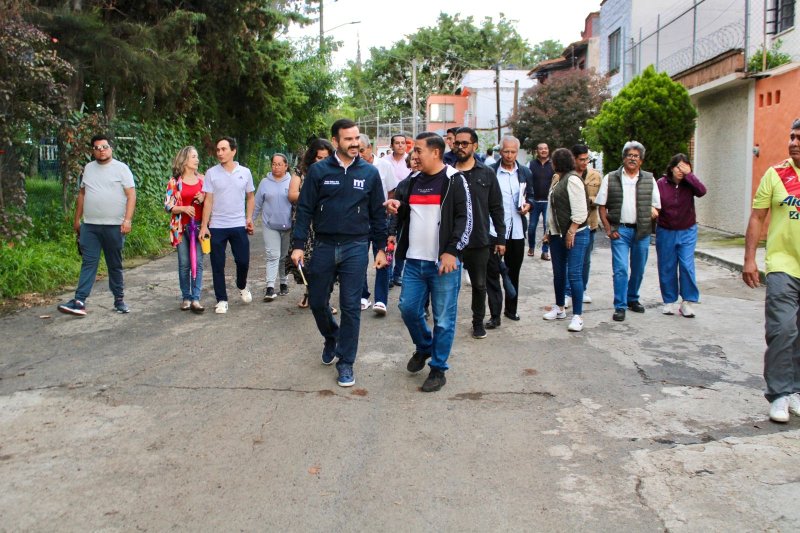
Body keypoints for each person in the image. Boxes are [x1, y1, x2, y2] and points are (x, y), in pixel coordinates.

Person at [291, 119, 388, 388]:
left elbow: (378, 214)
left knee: (350, 306)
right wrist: (298, 245)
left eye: (357, 138)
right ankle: (331, 336)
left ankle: (346, 362)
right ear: (335, 141)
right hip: (323, 245)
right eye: (348, 139)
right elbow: (305, 209)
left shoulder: (369, 173)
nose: (355, 143)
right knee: (318, 301)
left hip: (356, 246)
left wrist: (381, 248)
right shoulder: (319, 171)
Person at [385, 132, 472, 392]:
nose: (414, 155)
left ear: (435, 152)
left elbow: (465, 219)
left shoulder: (454, 180)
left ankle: (438, 369)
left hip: (443, 264)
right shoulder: (412, 180)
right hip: (414, 261)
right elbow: (404, 210)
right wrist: (396, 205)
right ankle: (424, 346)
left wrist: (452, 251)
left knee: (443, 320)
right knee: (408, 309)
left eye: (418, 150)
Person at [743, 118, 800, 423]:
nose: (794, 143)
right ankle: (779, 394)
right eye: (792, 136)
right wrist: (750, 259)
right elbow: (757, 217)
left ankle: (796, 390)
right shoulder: (776, 174)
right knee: (783, 330)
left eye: (799, 138)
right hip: (782, 266)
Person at [58, 134, 136, 317]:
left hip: (114, 226)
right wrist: (77, 220)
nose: (102, 151)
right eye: (97, 148)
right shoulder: (88, 168)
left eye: (105, 147)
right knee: (88, 262)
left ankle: (119, 300)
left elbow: (131, 195)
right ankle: (79, 301)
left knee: (114, 264)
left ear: (111, 148)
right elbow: (82, 194)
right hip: (90, 226)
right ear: (93, 151)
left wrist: (127, 220)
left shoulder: (121, 169)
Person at [596, 141, 661, 322]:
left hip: (642, 231)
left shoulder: (649, 179)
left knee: (638, 269)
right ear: (623, 158)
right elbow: (601, 206)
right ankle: (620, 306)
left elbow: (657, 205)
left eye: (636, 156)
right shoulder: (611, 178)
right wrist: (608, 229)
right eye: (629, 155)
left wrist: (654, 211)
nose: (632, 159)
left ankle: (632, 298)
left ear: (641, 160)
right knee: (621, 269)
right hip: (620, 231)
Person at [453, 127, 506, 339]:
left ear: (474, 146)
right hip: (452, 240)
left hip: (479, 239)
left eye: (464, 143)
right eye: (457, 143)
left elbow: (496, 207)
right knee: (447, 285)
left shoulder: (487, 173)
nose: (460, 147)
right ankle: (445, 322)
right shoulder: (448, 173)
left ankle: (477, 323)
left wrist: (500, 238)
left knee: (479, 284)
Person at [198, 136, 255, 315]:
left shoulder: (245, 172)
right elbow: (208, 200)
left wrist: (249, 218)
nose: (220, 153)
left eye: (223, 149)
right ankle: (221, 300)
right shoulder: (211, 173)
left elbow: (250, 197)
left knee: (243, 261)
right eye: (218, 150)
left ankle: (242, 285)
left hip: (238, 224)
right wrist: (204, 226)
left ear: (233, 151)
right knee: (217, 264)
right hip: (217, 225)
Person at [485, 135, 533, 328]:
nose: (509, 155)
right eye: (506, 151)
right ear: (500, 151)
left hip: (517, 230)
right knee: (493, 274)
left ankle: (511, 309)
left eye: (513, 152)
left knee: (513, 271)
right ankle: (494, 315)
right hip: (494, 230)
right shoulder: (491, 172)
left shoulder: (524, 172)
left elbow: (531, 196)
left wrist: (528, 205)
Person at [542, 149, 589, 332]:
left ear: (556, 163)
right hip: (557, 234)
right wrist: (548, 231)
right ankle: (560, 308)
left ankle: (577, 316)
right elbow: (551, 209)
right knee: (559, 273)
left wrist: (571, 231)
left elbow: (581, 211)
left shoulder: (572, 180)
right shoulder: (558, 179)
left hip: (576, 234)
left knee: (574, 274)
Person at [656, 154, 707, 317]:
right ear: (671, 168)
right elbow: (654, 203)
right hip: (666, 230)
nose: (681, 171)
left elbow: (702, 191)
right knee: (667, 265)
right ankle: (669, 300)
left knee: (686, 265)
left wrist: (689, 175)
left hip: (687, 230)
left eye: (685, 167)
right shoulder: (661, 184)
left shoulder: (690, 183)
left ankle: (687, 301)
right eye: (678, 167)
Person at [288, 138, 336, 310]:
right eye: (319, 158)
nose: (322, 161)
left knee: (327, 263)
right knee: (308, 262)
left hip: (326, 222)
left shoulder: (336, 172)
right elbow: (292, 195)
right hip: (305, 222)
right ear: (312, 157)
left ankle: (324, 300)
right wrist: (312, 195)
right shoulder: (301, 171)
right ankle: (310, 293)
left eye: (326, 158)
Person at [358, 133, 398, 315]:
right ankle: (362, 295)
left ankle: (381, 300)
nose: (359, 154)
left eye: (362, 150)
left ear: (370, 148)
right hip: (359, 218)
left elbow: (391, 192)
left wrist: (388, 214)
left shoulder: (384, 166)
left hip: (381, 218)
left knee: (383, 256)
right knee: (359, 257)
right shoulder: (352, 168)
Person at [163, 145, 205, 313]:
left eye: (197, 156)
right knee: (184, 263)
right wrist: (183, 208)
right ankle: (186, 297)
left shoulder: (203, 180)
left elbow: (211, 201)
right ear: (185, 160)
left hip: (199, 226)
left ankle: (196, 298)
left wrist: (204, 197)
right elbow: (168, 205)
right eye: (194, 157)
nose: (197, 159)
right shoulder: (174, 182)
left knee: (198, 262)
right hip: (180, 228)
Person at [564, 144, 602, 307]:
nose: (585, 162)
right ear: (573, 159)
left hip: (589, 223)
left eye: (587, 159)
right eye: (581, 159)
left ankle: (582, 289)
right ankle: (567, 292)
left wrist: (588, 200)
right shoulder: (564, 175)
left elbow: (602, 197)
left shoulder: (595, 176)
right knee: (569, 261)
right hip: (568, 225)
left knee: (585, 260)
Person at [254, 153, 293, 301]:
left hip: (288, 225)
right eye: (274, 164)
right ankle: (270, 287)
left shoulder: (292, 181)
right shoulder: (265, 182)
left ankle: (283, 282)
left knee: (284, 256)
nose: (276, 167)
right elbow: (257, 204)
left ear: (286, 166)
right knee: (273, 255)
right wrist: (250, 221)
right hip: (270, 225)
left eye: (279, 164)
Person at [528, 143, 554, 260]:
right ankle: (531, 247)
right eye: (541, 149)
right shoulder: (531, 164)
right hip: (534, 201)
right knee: (531, 227)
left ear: (548, 150)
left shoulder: (553, 165)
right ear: (537, 151)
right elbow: (527, 181)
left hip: (548, 201)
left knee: (547, 227)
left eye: (545, 148)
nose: (543, 150)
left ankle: (545, 251)